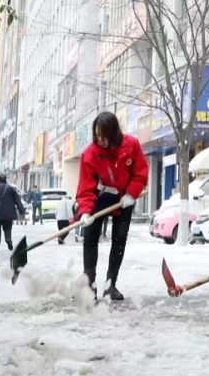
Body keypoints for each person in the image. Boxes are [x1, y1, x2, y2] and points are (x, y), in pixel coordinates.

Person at [74, 111, 149, 301]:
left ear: (113, 133)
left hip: (124, 197)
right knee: (90, 237)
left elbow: (141, 172)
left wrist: (131, 194)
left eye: (104, 136)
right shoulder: (90, 154)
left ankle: (110, 285)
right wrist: (85, 212)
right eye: (97, 135)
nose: (100, 140)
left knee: (119, 240)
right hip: (99, 198)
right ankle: (89, 285)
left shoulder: (131, 145)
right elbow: (85, 187)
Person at [0, 174, 26, 252]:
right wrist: (22, 211)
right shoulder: (11, 188)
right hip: (9, 212)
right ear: (6, 179)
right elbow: (17, 200)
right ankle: (8, 238)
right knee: (8, 228)